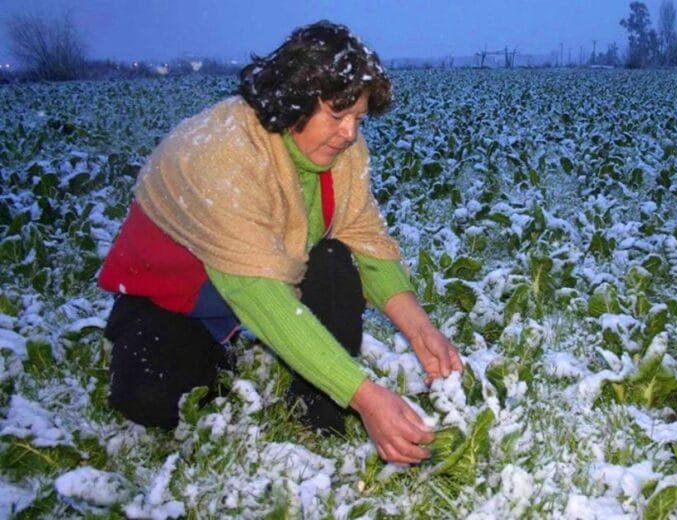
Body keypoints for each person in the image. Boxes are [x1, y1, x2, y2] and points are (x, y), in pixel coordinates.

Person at [97, 20, 462, 465]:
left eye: (358, 118)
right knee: (152, 400)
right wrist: (367, 395)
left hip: (262, 278)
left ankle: (316, 407)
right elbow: (258, 292)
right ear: (294, 98)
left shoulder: (342, 150)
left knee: (334, 259)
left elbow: (366, 240)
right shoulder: (224, 151)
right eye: (337, 114)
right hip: (175, 298)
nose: (349, 132)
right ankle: (214, 355)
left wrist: (421, 330)